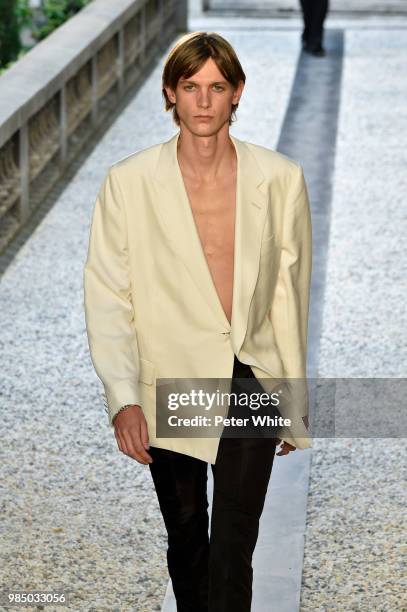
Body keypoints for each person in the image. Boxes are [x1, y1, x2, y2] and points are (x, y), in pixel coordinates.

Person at [83, 31, 312, 612]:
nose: (204, 101)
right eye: (191, 87)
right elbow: (109, 296)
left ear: (237, 93)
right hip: (172, 378)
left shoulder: (280, 179)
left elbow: (289, 294)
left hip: (250, 377)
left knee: (235, 539)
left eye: (216, 87)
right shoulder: (128, 183)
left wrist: (291, 396)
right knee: (187, 536)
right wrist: (122, 397)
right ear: (171, 94)